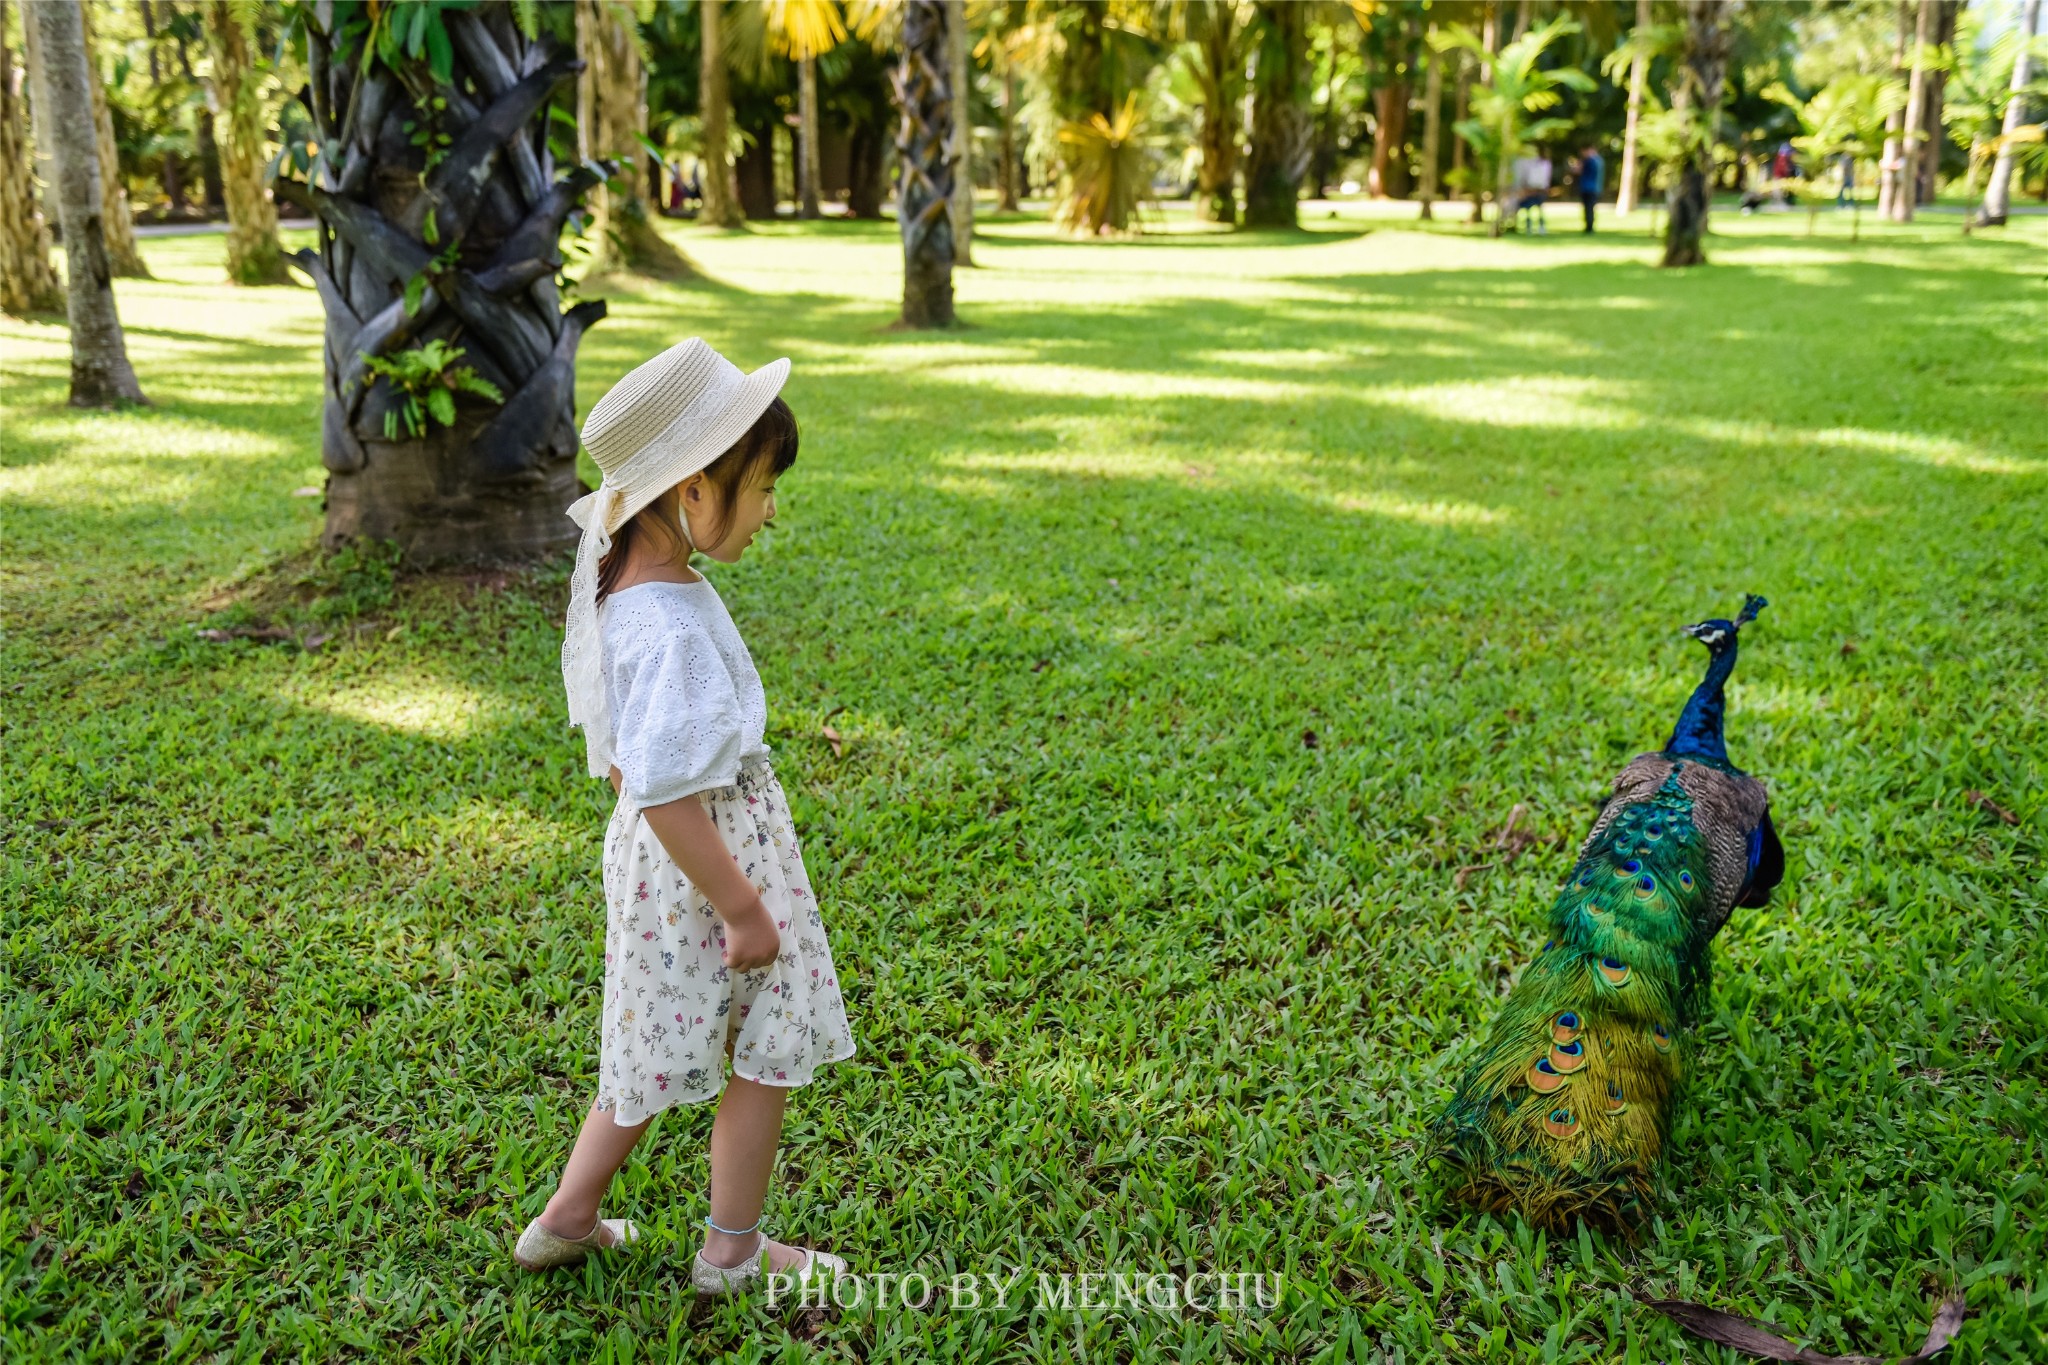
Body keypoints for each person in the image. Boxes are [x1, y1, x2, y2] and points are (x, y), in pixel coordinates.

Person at [515, 339, 858, 1296]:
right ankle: (732, 1251)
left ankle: (568, 1217)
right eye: (761, 486)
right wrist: (745, 907)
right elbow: (666, 788)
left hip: (669, 861)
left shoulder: (631, 585)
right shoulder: (668, 622)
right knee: (768, 1040)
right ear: (695, 492)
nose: (772, 508)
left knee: (656, 1036)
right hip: (709, 862)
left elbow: (637, 754)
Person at [1574, 143, 1604, 234]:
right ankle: (1590, 226)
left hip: (1587, 188)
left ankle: (1589, 228)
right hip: (1595, 188)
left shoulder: (1589, 161)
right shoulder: (1599, 160)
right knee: (1591, 208)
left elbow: (1577, 170)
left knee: (1588, 208)